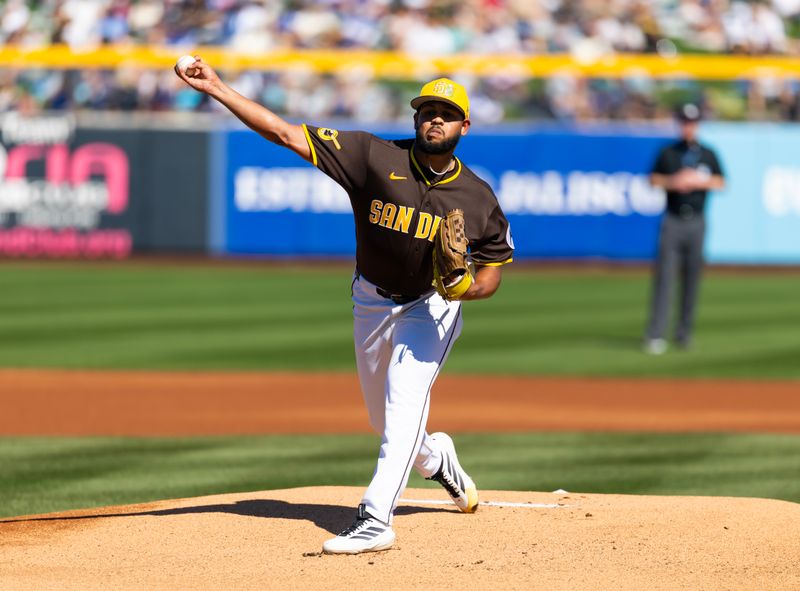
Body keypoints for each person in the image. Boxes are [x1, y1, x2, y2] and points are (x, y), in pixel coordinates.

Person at [174, 60, 514, 554]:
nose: (435, 119)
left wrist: (467, 291)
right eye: (427, 111)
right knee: (387, 421)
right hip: (371, 300)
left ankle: (376, 518)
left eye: (447, 113)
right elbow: (286, 134)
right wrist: (218, 88)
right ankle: (436, 459)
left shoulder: (478, 198)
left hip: (431, 306)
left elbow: (492, 273)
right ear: (416, 119)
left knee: (403, 407)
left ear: (465, 126)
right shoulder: (372, 156)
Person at [643, 102, 725, 355]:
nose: (688, 127)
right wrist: (673, 181)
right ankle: (656, 334)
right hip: (673, 219)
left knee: (692, 279)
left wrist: (698, 181)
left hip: (697, 220)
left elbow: (721, 182)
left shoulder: (707, 153)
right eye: (685, 122)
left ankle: (683, 332)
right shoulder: (668, 152)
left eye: (693, 122)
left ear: (698, 124)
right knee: (665, 278)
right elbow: (652, 179)